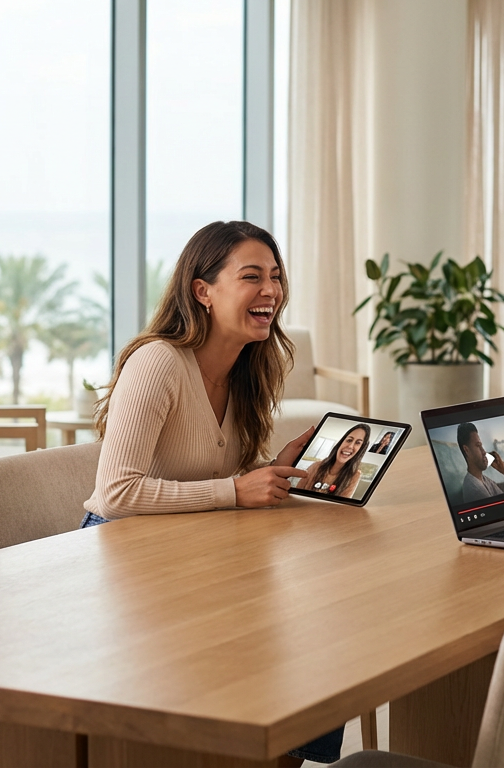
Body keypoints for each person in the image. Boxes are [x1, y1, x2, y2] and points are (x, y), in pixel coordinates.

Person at [77, 220, 340, 766]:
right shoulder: (157, 363)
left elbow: (224, 477)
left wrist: (272, 471)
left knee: (309, 638)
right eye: (251, 277)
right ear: (203, 291)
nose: (271, 290)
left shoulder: (248, 368)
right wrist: (236, 492)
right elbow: (115, 493)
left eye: (275, 276)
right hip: (124, 557)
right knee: (268, 644)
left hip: (197, 550)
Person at [303, 424, 370, 498]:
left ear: (361, 449)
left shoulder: (355, 475)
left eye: (358, 443)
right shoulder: (316, 465)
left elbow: (342, 504)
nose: (350, 446)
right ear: (341, 442)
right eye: (349, 440)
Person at [456, 422, 504, 503]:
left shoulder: (484, 479)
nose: (484, 452)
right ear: (466, 450)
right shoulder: (475, 490)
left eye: (481, 446)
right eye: (478, 445)